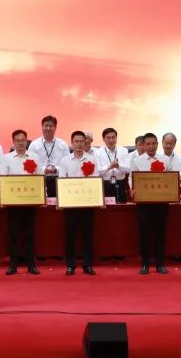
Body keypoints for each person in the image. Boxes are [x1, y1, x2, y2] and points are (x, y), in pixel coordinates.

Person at [130, 132, 181, 275]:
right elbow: (131, 178)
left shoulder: (165, 160)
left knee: (160, 233)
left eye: (153, 143)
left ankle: (160, 264)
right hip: (143, 203)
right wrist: (133, 189)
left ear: (157, 144)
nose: (151, 146)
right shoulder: (137, 161)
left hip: (161, 202)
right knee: (144, 233)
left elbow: (173, 177)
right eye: (148, 144)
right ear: (143, 145)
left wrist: (174, 190)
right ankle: (145, 264)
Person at [1, 129, 40, 275]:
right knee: (13, 234)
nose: (20, 143)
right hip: (13, 203)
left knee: (30, 234)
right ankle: (13, 265)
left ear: (27, 141)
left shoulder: (35, 157)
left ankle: (31, 265)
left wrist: (42, 197)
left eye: (23, 140)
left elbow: (40, 177)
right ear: (13, 142)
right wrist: (2, 198)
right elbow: (3, 179)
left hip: (30, 202)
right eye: (17, 141)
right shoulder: (6, 158)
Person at [59, 130, 98, 275]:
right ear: (72, 143)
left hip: (87, 203)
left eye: (82, 141)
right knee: (71, 235)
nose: (79, 144)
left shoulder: (92, 159)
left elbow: (95, 180)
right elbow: (62, 181)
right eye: (76, 141)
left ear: (85, 142)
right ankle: (71, 265)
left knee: (87, 234)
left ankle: (88, 265)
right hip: (71, 204)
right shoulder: (65, 160)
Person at [29, 115, 70, 197]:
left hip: (58, 179)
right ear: (42, 127)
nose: (48, 128)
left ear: (55, 127)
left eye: (51, 126)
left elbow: (68, 164)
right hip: (40, 179)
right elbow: (30, 164)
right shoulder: (34, 144)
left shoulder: (62, 144)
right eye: (46, 126)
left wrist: (56, 169)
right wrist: (44, 169)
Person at [98, 128, 130, 203]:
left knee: (121, 207)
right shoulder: (98, 152)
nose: (111, 140)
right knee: (107, 208)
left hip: (120, 183)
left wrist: (118, 166)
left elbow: (128, 169)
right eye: (108, 138)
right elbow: (98, 172)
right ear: (103, 139)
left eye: (113, 137)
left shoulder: (124, 150)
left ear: (116, 138)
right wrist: (109, 167)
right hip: (105, 184)